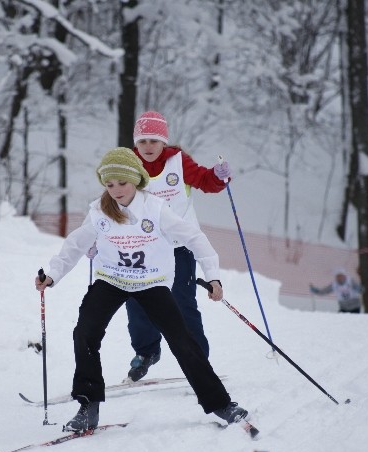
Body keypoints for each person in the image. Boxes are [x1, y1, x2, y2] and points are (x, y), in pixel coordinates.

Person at [36, 147, 249, 433]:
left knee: (182, 339)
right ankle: (88, 406)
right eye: (109, 184)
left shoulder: (155, 208)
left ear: (136, 179)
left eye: (122, 183)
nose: (115, 190)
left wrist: (213, 277)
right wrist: (52, 274)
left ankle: (222, 404)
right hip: (111, 279)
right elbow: (75, 244)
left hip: (150, 282)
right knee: (85, 334)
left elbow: (195, 238)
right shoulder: (100, 210)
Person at [120, 110, 231, 382]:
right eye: (143, 141)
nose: (148, 147)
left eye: (154, 141)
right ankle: (146, 352)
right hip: (143, 248)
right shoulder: (128, 165)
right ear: (136, 142)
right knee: (137, 301)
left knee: (182, 305)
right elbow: (113, 200)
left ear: (164, 142)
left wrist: (218, 176)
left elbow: (206, 182)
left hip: (179, 247)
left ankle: (198, 361)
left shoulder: (178, 162)